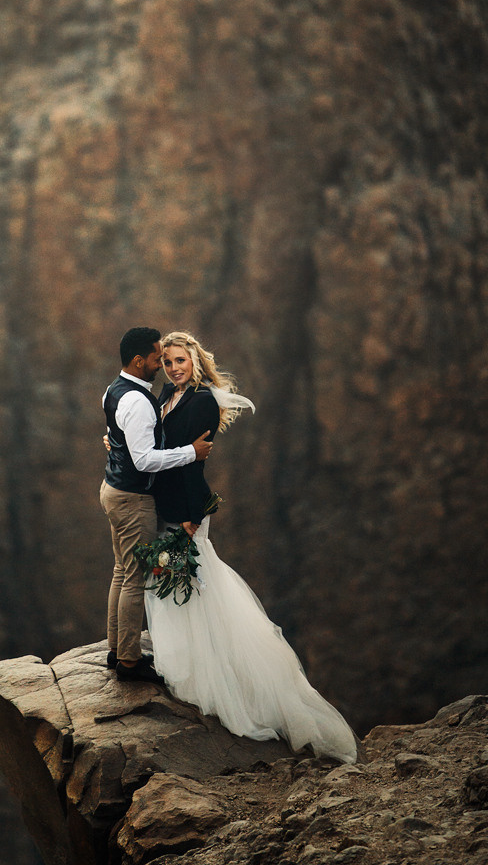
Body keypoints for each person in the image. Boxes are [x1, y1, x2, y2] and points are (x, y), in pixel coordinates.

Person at [145, 330, 358, 764]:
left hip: (186, 509)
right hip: (165, 506)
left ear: (195, 361)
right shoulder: (166, 395)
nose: (173, 368)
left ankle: (218, 682)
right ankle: (192, 667)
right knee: (177, 586)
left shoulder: (202, 401)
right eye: (167, 362)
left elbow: (194, 464)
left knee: (191, 586)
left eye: (180, 360)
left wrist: (192, 519)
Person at [100, 327, 213, 684]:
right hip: (132, 499)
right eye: (158, 359)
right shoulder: (138, 400)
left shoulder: (115, 389)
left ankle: (117, 649)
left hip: (114, 490)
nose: (163, 366)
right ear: (139, 361)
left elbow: (117, 433)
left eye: (176, 360)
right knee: (134, 578)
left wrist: (115, 444)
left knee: (122, 571)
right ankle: (128, 661)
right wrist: (190, 452)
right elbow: (144, 459)